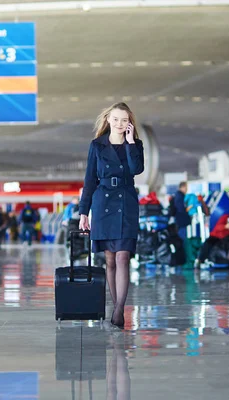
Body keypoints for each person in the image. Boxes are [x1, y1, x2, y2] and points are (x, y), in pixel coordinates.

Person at [78, 102, 144, 329]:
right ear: (108, 120)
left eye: (124, 120)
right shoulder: (97, 145)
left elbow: (136, 169)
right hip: (103, 201)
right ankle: (115, 306)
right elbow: (89, 180)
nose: (119, 124)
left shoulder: (135, 145)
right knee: (109, 259)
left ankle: (118, 311)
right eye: (115, 119)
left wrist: (131, 143)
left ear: (129, 123)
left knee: (123, 256)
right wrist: (83, 212)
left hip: (126, 202)